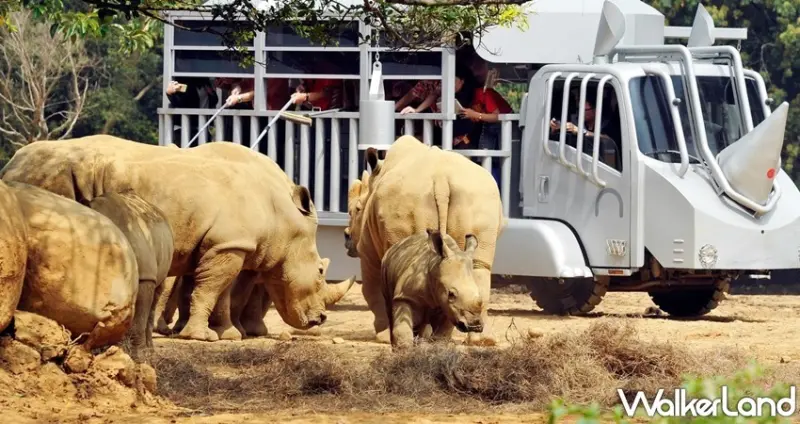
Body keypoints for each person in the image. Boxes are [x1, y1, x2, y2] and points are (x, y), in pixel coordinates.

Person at [165, 77, 218, 144]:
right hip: (184, 128)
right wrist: (170, 94)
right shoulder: (183, 82)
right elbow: (178, 102)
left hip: (203, 128)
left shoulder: (206, 84)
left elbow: (214, 99)